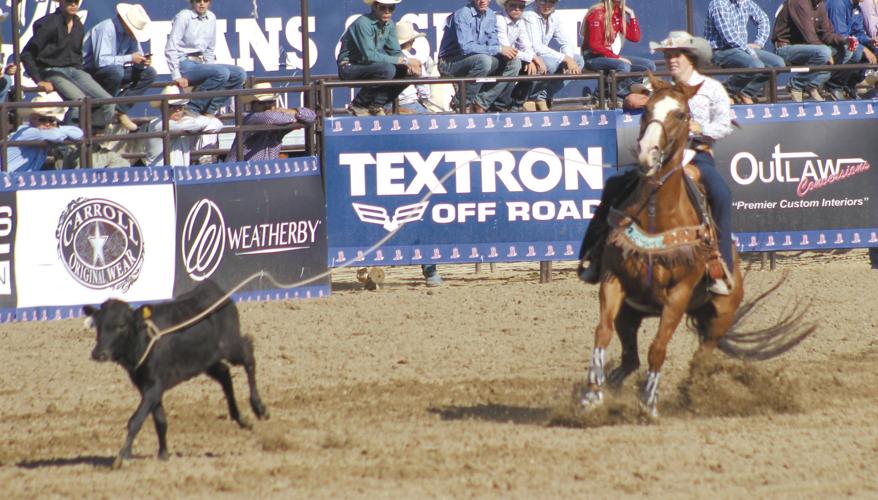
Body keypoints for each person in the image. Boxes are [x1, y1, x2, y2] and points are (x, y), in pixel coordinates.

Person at [579, 32, 736, 295]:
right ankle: (595, 253)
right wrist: (645, 101)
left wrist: (699, 127)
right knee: (615, 186)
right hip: (658, 157)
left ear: (690, 58)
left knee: (721, 193)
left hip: (695, 155)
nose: (671, 60)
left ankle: (720, 264)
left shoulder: (711, 88)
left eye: (676, 55)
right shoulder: (659, 86)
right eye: (667, 56)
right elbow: (630, 100)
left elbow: (724, 124)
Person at [21, 0, 115, 129]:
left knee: (108, 102)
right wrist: (38, 80)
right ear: (61, 2)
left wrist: (81, 70)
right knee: (79, 102)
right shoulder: (48, 24)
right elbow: (27, 54)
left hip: (75, 70)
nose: (73, 5)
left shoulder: (78, 25)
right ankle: (65, 145)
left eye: (76, 2)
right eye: (69, 1)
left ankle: (89, 137)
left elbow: (77, 54)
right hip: (51, 70)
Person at [337, 0, 422, 116]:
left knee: (408, 72)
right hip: (348, 67)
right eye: (383, 8)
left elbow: (395, 52)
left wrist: (410, 65)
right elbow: (370, 56)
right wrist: (405, 60)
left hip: (368, 66)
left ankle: (376, 105)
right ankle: (358, 105)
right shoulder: (362, 23)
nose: (387, 11)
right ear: (375, 7)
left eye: (391, 8)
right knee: (387, 69)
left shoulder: (390, 24)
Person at [83, 3, 157, 132]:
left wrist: (141, 62)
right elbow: (101, 61)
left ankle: (118, 109)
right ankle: (105, 113)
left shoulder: (130, 34)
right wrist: (130, 58)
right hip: (90, 73)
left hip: (113, 72)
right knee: (116, 71)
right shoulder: (106, 28)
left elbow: (135, 56)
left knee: (149, 73)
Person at [165, 0, 246, 116]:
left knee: (240, 74)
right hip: (184, 63)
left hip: (200, 63)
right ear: (192, 2)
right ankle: (193, 108)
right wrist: (176, 76)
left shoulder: (211, 17)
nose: (202, 4)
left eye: (205, 1)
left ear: (209, 3)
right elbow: (170, 47)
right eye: (198, 1)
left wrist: (210, 68)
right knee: (221, 72)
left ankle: (210, 110)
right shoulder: (184, 16)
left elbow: (209, 49)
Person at [438, 0, 522, 113]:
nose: (483, 1)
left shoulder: (491, 14)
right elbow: (466, 47)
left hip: (477, 60)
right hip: (449, 62)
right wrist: (499, 49)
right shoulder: (463, 14)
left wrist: (503, 52)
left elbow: (493, 42)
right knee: (484, 60)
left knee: (514, 63)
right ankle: (461, 103)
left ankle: (482, 102)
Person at [703, 0, 785, 104]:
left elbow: (763, 18)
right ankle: (726, 91)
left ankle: (745, 92)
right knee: (755, 65)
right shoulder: (719, 3)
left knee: (778, 63)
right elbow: (729, 37)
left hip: (741, 48)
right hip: (720, 50)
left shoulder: (745, 2)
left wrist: (759, 43)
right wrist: (750, 51)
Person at [772, 0, 848, 102]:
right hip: (785, 48)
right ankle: (796, 85)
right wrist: (826, 51)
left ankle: (811, 85)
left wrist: (844, 40)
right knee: (824, 52)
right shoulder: (799, 2)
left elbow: (826, 33)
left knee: (845, 50)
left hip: (808, 48)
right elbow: (810, 37)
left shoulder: (820, 5)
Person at [582, 0, 655, 102]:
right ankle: (602, 96)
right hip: (592, 57)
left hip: (608, 56)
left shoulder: (617, 12)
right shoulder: (597, 13)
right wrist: (617, 57)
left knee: (649, 65)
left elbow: (635, 37)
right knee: (623, 66)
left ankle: (617, 92)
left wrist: (632, 15)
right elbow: (595, 46)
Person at [225, 83, 317, 162]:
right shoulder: (251, 117)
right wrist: (291, 114)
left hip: (265, 170)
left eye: (270, 102)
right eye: (262, 102)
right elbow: (270, 118)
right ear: (253, 104)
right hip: (241, 170)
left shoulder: (278, 119)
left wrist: (288, 111)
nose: (267, 105)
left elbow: (311, 116)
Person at [522, 0, 585, 110]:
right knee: (551, 64)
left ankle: (542, 96)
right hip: (527, 56)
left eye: (551, 2)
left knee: (578, 61)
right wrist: (565, 58)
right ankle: (530, 98)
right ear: (536, 2)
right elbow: (537, 47)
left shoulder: (553, 15)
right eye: (543, 2)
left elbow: (565, 41)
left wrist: (568, 58)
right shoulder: (529, 14)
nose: (547, 6)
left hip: (540, 55)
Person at [143, 86, 223, 166]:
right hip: (160, 173)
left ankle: (205, 158)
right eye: (172, 107)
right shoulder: (158, 124)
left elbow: (218, 124)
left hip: (180, 172)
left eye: (180, 107)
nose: (177, 110)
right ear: (163, 108)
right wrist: (206, 119)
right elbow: (194, 125)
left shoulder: (185, 122)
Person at [6, 92, 83, 172]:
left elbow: (78, 133)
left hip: (18, 178)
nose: (47, 123)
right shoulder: (28, 132)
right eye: (42, 119)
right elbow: (56, 135)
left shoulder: (44, 133)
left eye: (51, 120)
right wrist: (57, 130)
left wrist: (56, 128)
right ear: (32, 119)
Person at [494, 0, 546, 112]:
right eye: (513, 5)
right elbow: (506, 49)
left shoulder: (520, 21)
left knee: (533, 67)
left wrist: (532, 60)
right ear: (505, 6)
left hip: (509, 56)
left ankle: (517, 104)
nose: (517, 9)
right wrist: (532, 58)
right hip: (495, 56)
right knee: (516, 63)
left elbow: (526, 45)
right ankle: (500, 105)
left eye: (521, 6)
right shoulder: (498, 19)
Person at [825, 0, 877, 100]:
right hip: (831, 45)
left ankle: (849, 85)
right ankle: (834, 84)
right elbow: (840, 36)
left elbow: (858, 33)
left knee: (874, 49)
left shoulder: (856, 6)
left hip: (848, 42)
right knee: (855, 51)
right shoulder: (837, 3)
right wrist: (863, 49)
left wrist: (869, 41)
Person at [395, 21, 444, 113]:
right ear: (412, 41)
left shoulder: (389, 58)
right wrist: (424, 98)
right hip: (409, 103)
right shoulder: (414, 61)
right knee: (434, 120)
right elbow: (423, 88)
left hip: (389, 104)